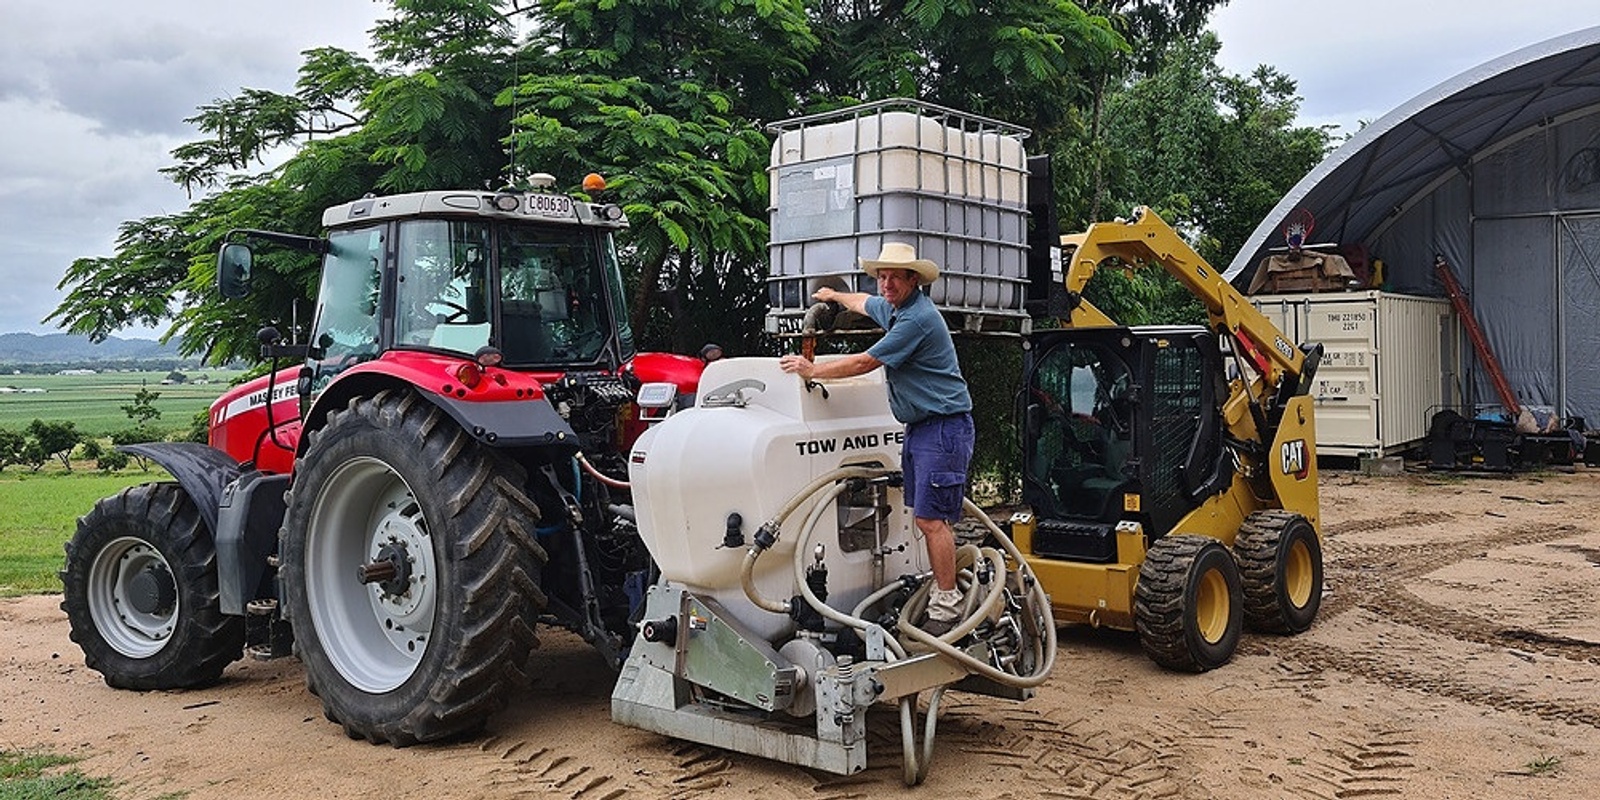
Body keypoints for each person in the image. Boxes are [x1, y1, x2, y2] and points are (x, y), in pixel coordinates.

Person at [778, 242, 974, 636]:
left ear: (912, 280)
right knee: (923, 516)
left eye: (893, 277)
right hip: (921, 427)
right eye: (881, 276)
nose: (885, 284)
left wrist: (811, 369)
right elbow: (865, 302)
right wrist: (834, 295)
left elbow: (867, 362)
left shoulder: (916, 320)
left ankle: (948, 604)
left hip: (943, 427)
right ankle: (937, 588)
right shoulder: (899, 307)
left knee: (932, 520)